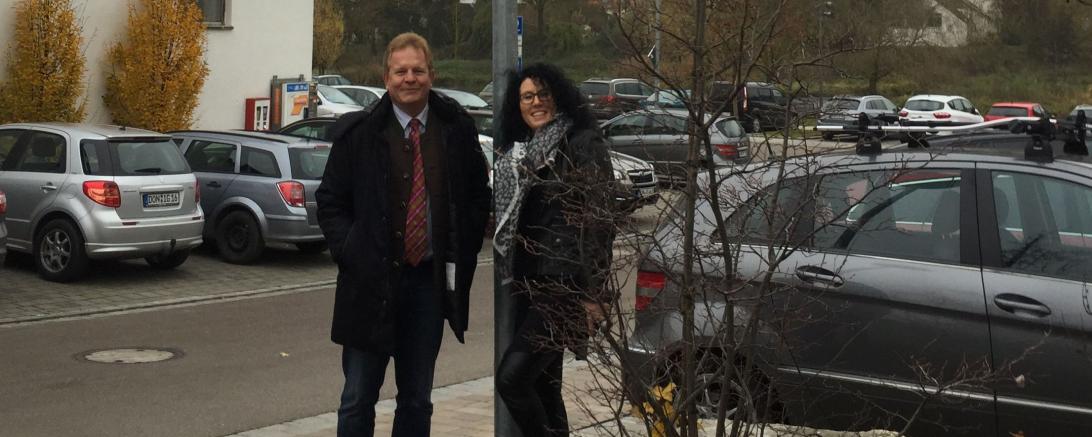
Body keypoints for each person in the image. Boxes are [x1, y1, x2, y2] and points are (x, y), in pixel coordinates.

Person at [315, 32, 491, 437]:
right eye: (400, 71)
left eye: (417, 70)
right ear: (386, 77)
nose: (409, 78)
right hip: (369, 284)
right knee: (357, 399)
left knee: (416, 400)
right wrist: (350, 249)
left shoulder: (455, 130)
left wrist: (462, 249)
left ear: (431, 75)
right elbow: (330, 202)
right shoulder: (358, 134)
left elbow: (477, 197)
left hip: (427, 286)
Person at [493, 63, 616, 437]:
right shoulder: (525, 155)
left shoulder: (581, 144)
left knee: (512, 379)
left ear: (559, 96)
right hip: (530, 282)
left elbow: (600, 220)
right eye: (527, 97)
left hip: (565, 285)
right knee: (545, 387)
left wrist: (594, 292)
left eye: (543, 94)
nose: (536, 102)